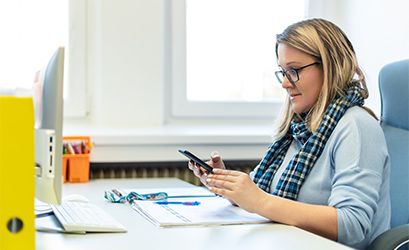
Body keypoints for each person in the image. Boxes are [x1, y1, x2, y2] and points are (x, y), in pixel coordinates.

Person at [187, 18, 390, 250]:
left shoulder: (357, 126)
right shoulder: (300, 127)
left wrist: (259, 201)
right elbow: (265, 196)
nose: (285, 83)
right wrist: (226, 184)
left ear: (331, 66)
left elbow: (352, 225)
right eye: (283, 72)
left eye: (294, 71)